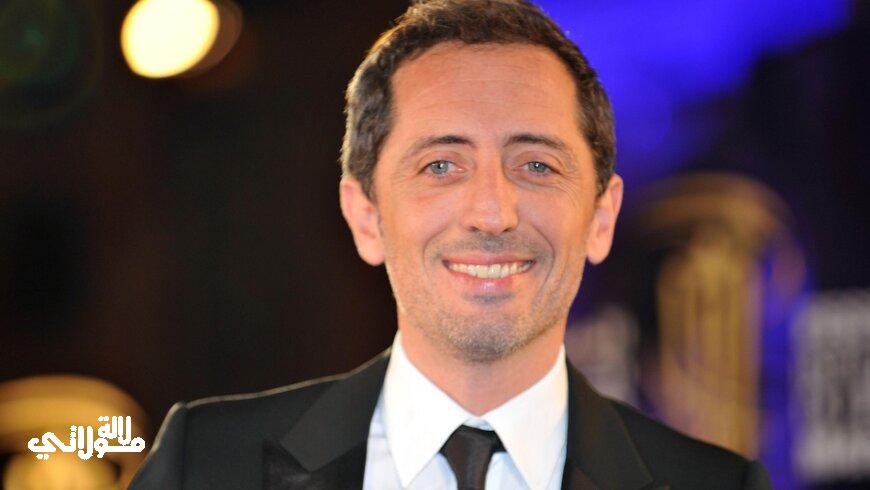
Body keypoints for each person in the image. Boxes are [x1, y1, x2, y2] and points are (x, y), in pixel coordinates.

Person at [130, 1, 772, 488]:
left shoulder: (717, 485)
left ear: (601, 218)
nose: (492, 213)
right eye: (441, 165)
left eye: (536, 165)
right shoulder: (206, 463)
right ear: (365, 217)